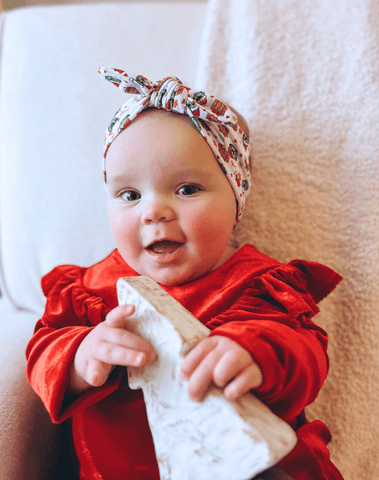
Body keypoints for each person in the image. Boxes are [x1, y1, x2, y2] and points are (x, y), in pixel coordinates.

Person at [26, 68, 344, 480]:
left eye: (187, 189)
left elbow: (308, 352)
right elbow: (41, 351)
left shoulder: (256, 284)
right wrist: (79, 358)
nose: (153, 211)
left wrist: (255, 352)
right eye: (130, 195)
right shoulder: (93, 292)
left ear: (235, 205)